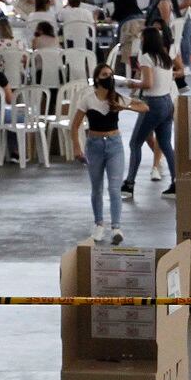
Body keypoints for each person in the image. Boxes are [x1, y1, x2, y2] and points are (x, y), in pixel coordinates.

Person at [69, 64, 147, 246]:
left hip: (114, 145)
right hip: (94, 144)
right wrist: (77, 147)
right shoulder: (88, 99)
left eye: (111, 75)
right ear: (97, 79)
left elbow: (144, 107)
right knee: (96, 187)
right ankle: (98, 224)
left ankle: (116, 227)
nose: (109, 78)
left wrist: (125, 107)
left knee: (114, 188)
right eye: (105, 75)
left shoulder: (117, 98)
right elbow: (75, 125)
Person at [121, 26, 182, 198]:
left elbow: (148, 83)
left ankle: (129, 184)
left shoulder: (146, 57)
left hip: (152, 104)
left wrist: (132, 83)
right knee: (165, 144)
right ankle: (176, 182)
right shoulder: (165, 57)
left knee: (135, 143)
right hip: (167, 101)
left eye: (142, 39)